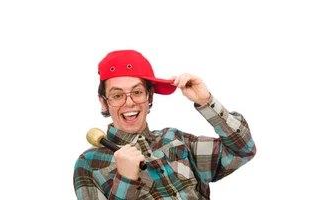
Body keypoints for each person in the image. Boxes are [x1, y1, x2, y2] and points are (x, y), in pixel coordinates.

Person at [72, 50, 256, 199]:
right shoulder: (89, 164)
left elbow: (243, 150)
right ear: (104, 102)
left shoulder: (175, 140)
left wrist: (206, 102)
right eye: (117, 95)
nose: (129, 103)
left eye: (137, 92)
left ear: (150, 96)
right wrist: (126, 180)